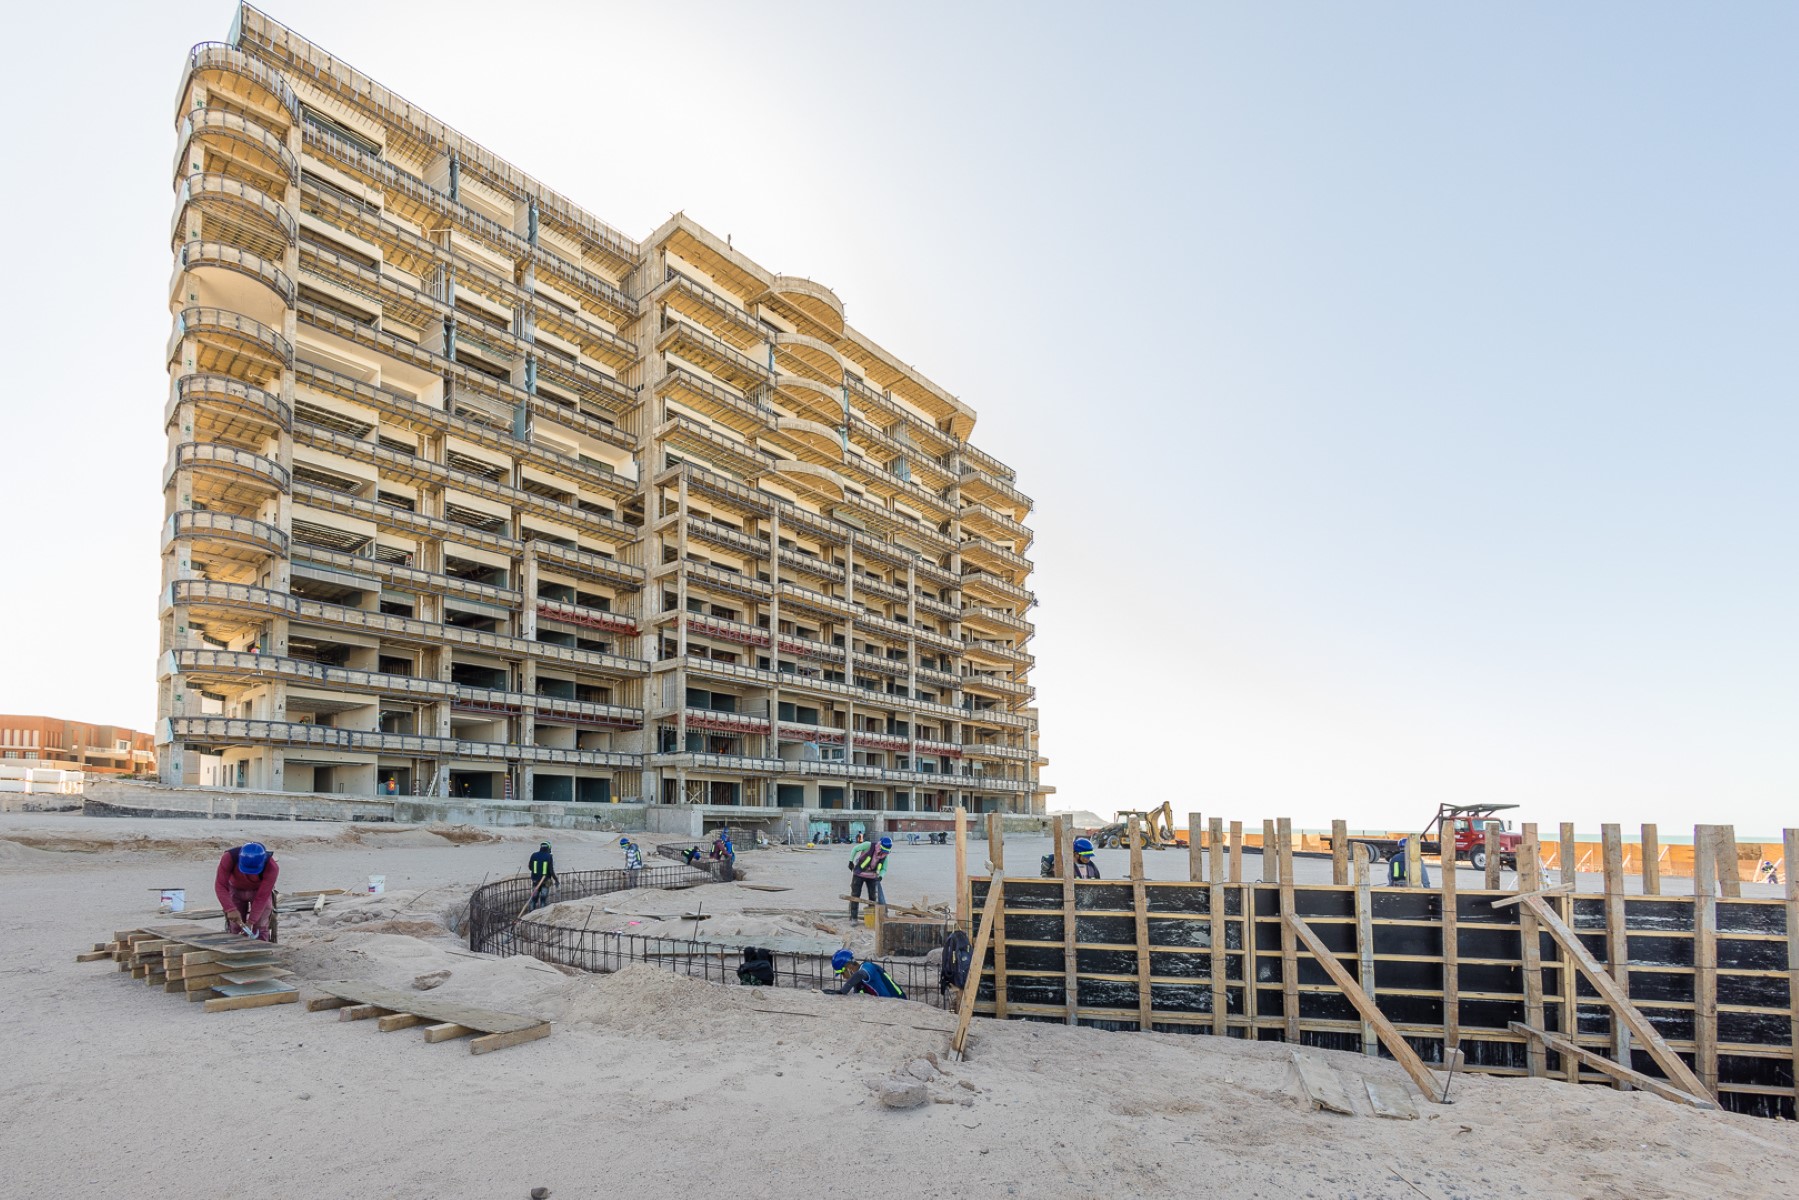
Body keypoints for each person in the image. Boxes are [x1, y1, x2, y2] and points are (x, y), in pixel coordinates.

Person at [214, 842, 279, 942]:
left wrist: (251, 921)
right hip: (235, 889)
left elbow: (262, 897)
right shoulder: (229, 857)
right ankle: (235, 949)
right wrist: (230, 909)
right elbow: (220, 885)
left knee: (260, 927)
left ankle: (262, 948)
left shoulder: (271, 867)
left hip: (259, 891)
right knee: (235, 926)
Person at [827, 948, 905, 998]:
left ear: (849, 967)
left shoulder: (867, 966)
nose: (843, 977)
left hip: (897, 1000)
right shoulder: (858, 981)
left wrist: (842, 991)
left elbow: (860, 974)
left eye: (842, 973)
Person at [848, 836, 891, 920]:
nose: (883, 852)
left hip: (872, 876)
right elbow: (855, 849)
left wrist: (881, 876)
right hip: (859, 874)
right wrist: (850, 861)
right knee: (855, 896)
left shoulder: (885, 855)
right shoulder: (868, 845)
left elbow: (884, 869)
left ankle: (871, 918)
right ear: (880, 845)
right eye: (883, 850)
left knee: (873, 898)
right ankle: (853, 918)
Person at [527, 840, 557, 908]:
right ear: (549, 848)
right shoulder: (549, 856)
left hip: (535, 880)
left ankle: (531, 912)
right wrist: (556, 880)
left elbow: (530, 867)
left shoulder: (534, 855)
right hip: (546, 881)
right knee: (543, 899)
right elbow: (551, 871)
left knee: (534, 899)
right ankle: (542, 912)